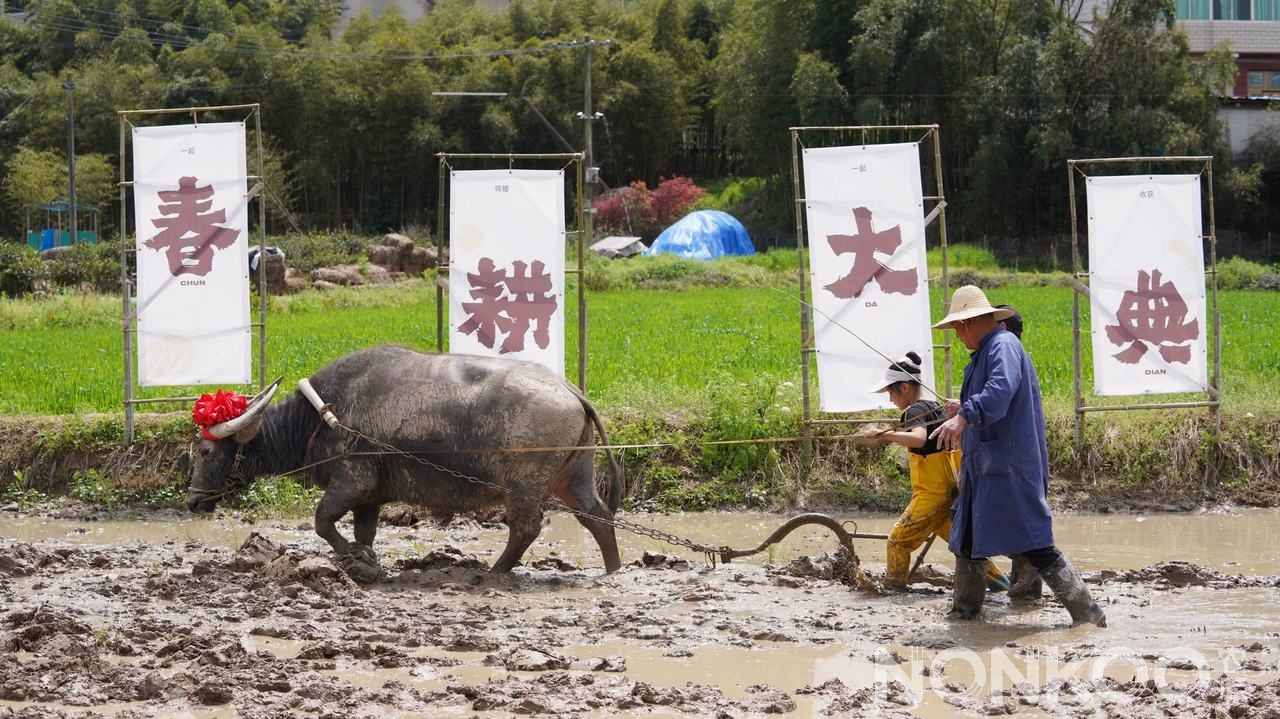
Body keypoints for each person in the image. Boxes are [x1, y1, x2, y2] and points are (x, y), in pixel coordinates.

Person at [929, 285, 1106, 627]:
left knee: (1034, 543)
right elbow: (990, 398)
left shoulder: (1003, 346)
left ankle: (1088, 613)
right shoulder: (985, 352)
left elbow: (999, 392)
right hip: (985, 466)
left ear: (969, 322)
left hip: (1008, 466)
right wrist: (963, 407)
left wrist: (964, 416)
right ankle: (964, 615)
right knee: (966, 539)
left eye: (956, 328)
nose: (956, 334)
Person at [865, 352, 1009, 593]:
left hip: (931, 495)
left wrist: (883, 434)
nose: (891, 399)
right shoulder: (936, 408)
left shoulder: (913, 411)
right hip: (949, 492)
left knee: (898, 541)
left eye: (891, 393)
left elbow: (919, 439)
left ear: (904, 387)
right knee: (964, 547)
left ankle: (893, 590)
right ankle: (1003, 586)